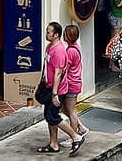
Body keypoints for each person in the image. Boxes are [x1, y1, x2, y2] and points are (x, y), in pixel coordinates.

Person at [36, 22, 85, 156]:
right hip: (48, 87)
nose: (46, 33)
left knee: (52, 116)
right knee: (49, 116)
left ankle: (76, 137)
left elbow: (58, 73)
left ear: (56, 34)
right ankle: (53, 144)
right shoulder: (48, 47)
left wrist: (55, 94)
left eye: (48, 32)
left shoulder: (59, 51)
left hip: (57, 90)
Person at [61, 25, 89, 145]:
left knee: (71, 111)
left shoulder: (70, 51)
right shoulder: (75, 47)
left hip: (71, 84)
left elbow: (64, 69)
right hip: (75, 82)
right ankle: (81, 127)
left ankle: (74, 136)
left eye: (65, 33)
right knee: (66, 109)